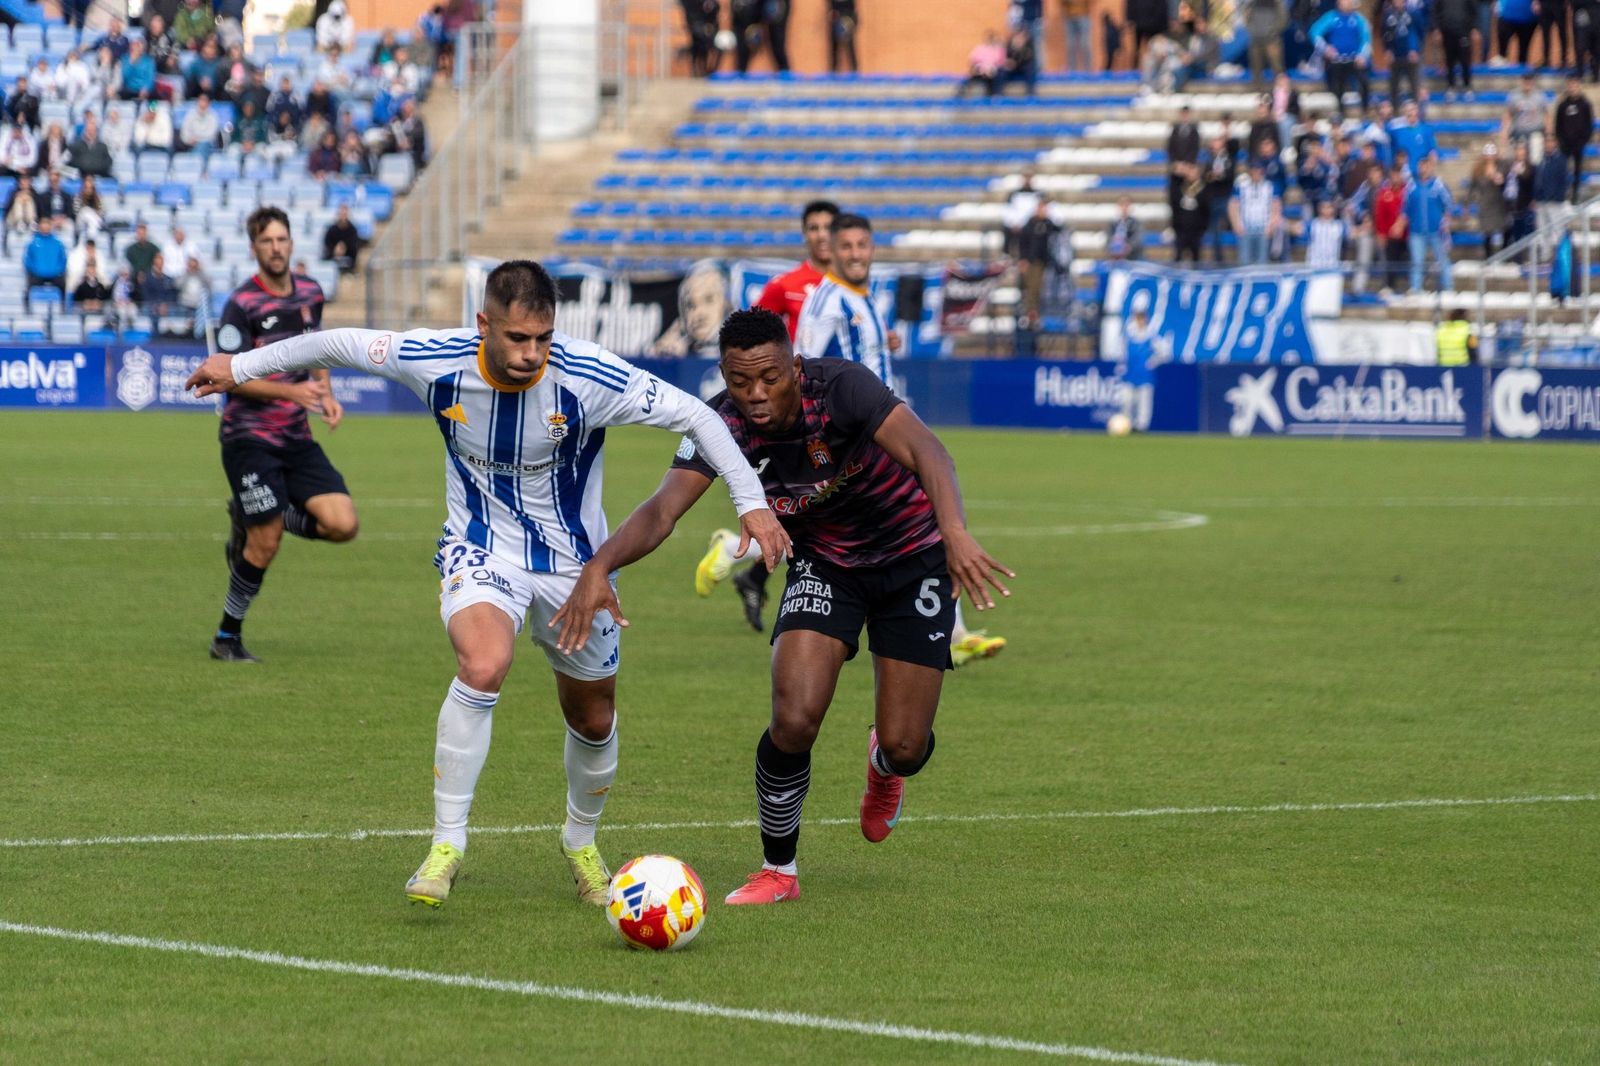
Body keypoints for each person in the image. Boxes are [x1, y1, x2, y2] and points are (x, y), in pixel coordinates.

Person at [186, 259, 788, 910]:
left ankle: (580, 842)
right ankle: (447, 845)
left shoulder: (587, 377)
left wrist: (751, 503)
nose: (532, 354)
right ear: (483, 326)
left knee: (594, 715)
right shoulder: (435, 358)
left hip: (575, 567)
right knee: (483, 662)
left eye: (543, 338)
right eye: (517, 338)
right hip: (481, 549)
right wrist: (239, 367)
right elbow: (336, 343)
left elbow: (698, 415)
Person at [552, 308, 1010, 908]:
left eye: (770, 377)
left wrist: (955, 533)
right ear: (724, 375)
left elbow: (930, 452)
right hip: (826, 563)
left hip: (912, 558)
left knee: (906, 746)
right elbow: (663, 510)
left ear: (794, 366)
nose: (756, 394)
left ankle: (882, 762)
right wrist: (599, 566)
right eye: (740, 382)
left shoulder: (842, 387)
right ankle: (779, 869)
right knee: (794, 717)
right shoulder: (719, 421)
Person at [190, 207, 355, 664]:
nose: (277, 248)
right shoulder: (240, 305)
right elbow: (228, 377)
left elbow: (316, 345)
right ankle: (227, 636)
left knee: (343, 524)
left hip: (295, 436)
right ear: (254, 247)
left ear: (291, 243)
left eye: (282, 239)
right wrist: (292, 390)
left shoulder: (311, 292)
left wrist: (324, 391)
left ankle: (255, 515)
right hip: (248, 437)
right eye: (267, 241)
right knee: (266, 542)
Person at [754, 201, 838, 338]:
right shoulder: (785, 284)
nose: (822, 235)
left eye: (828, 228)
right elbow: (751, 329)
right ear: (804, 235)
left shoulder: (854, 285)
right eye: (813, 228)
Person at [1310, 0, 1372, 117]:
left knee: (1364, 82)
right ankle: (1341, 112)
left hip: (1354, 59)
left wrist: (1362, 56)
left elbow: (1366, 38)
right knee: (1337, 85)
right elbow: (1314, 32)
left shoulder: (1358, 19)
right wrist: (1325, 48)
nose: (1346, 4)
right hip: (1337, 60)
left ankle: (1365, 110)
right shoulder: (1331, 17)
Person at [1405, 154, 1453, 292]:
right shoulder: (1412, 186)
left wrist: (1446, 222)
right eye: (1421, 166)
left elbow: (1448, 204)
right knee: (1417, 261)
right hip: (1416, 231)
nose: (1423, 169)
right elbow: (1405, 208)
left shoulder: (1438, 185)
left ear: (1430, 167)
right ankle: (1416, 288)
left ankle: (1448, 287)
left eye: (1426, 166)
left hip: (1436, 231)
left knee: (1443, 260)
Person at [1230, 160, 1282, 266]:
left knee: (1262, 261)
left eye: (1258, 171)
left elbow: (1276, 207)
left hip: (1263, 227)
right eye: (1253, 171)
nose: (1256, 174)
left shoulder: (1270, 187)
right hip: (1246, 227)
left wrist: (1271, 226)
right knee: (1244, 261)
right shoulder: (1241, 186)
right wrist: (1236, 224)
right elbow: (1233, 206)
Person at [1554, 75, 1595, 201]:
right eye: (1571, 85)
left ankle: (1575, 194)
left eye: (1575, 85)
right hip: (1565, 143)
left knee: (1577, 169)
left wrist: (1585, 139)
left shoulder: (1585, 104)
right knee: (1562, 168)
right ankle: (1562, 192)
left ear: (1579, 86)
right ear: (1568, 87)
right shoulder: (1562, 104)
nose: (1573, 88)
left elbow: (1589, 123)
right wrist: (1560, 139)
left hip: (1579, 143)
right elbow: (1558, 123)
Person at [1375, 162, 1411, 293]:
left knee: (1410, 260)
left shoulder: (1407, 191)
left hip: (1407, 234)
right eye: (1393, 175)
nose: (1395, 177)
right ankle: (1389, 286)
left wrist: (1402, 225)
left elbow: (1410, 211)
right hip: (1391, 235)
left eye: (1398, 175)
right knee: (1390, 261)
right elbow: (1380, 215)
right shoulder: (1384, 193)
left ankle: (1412, 286)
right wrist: (1381, 233)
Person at [1380, 0, 1422, 108]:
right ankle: (1395, 111)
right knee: (1394, 86)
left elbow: (1419, 31)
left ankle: (1415, 111)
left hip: (1410, 55)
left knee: (1414, 84)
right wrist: (1387, 50)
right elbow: (1384, 34)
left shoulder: (1413, 13)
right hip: (1395, 56)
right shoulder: (1388, 15)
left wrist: (1415, 49)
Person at [1246, 0, 1288, 85]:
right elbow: (1247, 18)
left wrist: (1272, 31)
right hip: (1256, 39)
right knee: (1256, 68)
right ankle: (1258, 90)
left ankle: (1280, 93)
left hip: (1271, 40)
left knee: (1277, 68)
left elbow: (1283, 20)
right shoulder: (1252, 3)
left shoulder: (1276, 3)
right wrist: (1253, 30)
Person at [24, 216, 68, 293]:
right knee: (28, 286)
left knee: (63, 285)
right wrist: (35, 269)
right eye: (43, 224)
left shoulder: (57, 243)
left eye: (47, 224)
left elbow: (63, 259)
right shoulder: (33, 243)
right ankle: (27, 304)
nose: (45, 227)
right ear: (39, 226)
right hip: (37, 275)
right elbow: (28, 259)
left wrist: (58, 270)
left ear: (51, 226)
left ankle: (63, 304)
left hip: (55, 275)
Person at [957, 31, 1008, 96]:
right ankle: (961, 93)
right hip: (980, 71)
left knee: (994, 77)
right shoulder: (980, 48)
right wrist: (981, 69)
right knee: (972, 78)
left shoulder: (999, 49)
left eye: (991, 38)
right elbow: (972, 60)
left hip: (993, 72)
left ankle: (994, 94)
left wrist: (991, 69)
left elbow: (1001, 62)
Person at [322, 203, 365, 273]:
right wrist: (334, 249)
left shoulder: (352, 230)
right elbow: (327, 242)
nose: (343, 216)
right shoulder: (332, 229)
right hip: (332, 256)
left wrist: (344, 248)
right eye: (341, 213)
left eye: (345, 214)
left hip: (349, 259)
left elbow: (354, 244)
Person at [1063, 0, 1093, 72]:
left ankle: (1088, 70)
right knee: (1070, 45)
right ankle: (1072, 70)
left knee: (1085, 44)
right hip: (1069, 16)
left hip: (1084, 15)